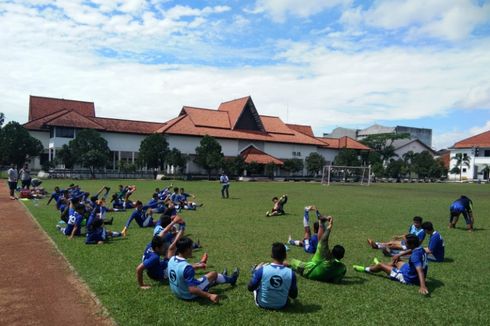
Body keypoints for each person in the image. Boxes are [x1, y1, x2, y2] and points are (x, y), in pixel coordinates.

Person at [167, 237, 239, 303]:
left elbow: (180, 269)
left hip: (178, 292)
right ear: (187, 249)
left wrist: (198, 265)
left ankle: (220, 278)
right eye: (191, 247)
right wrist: (210, 296)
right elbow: (192, 289)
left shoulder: (172, 259)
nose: (192, 249)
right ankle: (232, 279)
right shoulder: (187, 268)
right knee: (213, 274)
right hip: (188, 295)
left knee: (205, 279)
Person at [354, 234, 429, 295]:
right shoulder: (420, 248)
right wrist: (399, 255)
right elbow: (411, 250)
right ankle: (379, 266)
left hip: (408, 278)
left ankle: (366, 269)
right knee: (397, 261)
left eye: (405, 242)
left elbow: (420, 270)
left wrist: (423, 286)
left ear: (412, 244)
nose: (404, 243)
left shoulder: (415, 257)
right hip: (410, 271)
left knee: (380, 265)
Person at [287, 215, 346, 283]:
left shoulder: (324, 256)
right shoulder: (342, 268)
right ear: (342, 256)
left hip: (307, 272)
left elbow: (323, 240)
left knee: (291, 261)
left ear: (332, 251)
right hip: (321, 276)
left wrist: (330, 226)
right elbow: (336, 281)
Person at [248, 243, 298, 310]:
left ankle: (254, 271)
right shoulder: (291, 273)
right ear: (285, 255)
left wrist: (256, 271)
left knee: (259, 282)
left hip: (262, 303)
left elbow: (250, 288)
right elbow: (294, 295)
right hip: (281, 305)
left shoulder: (262, 270)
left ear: (272, 255)